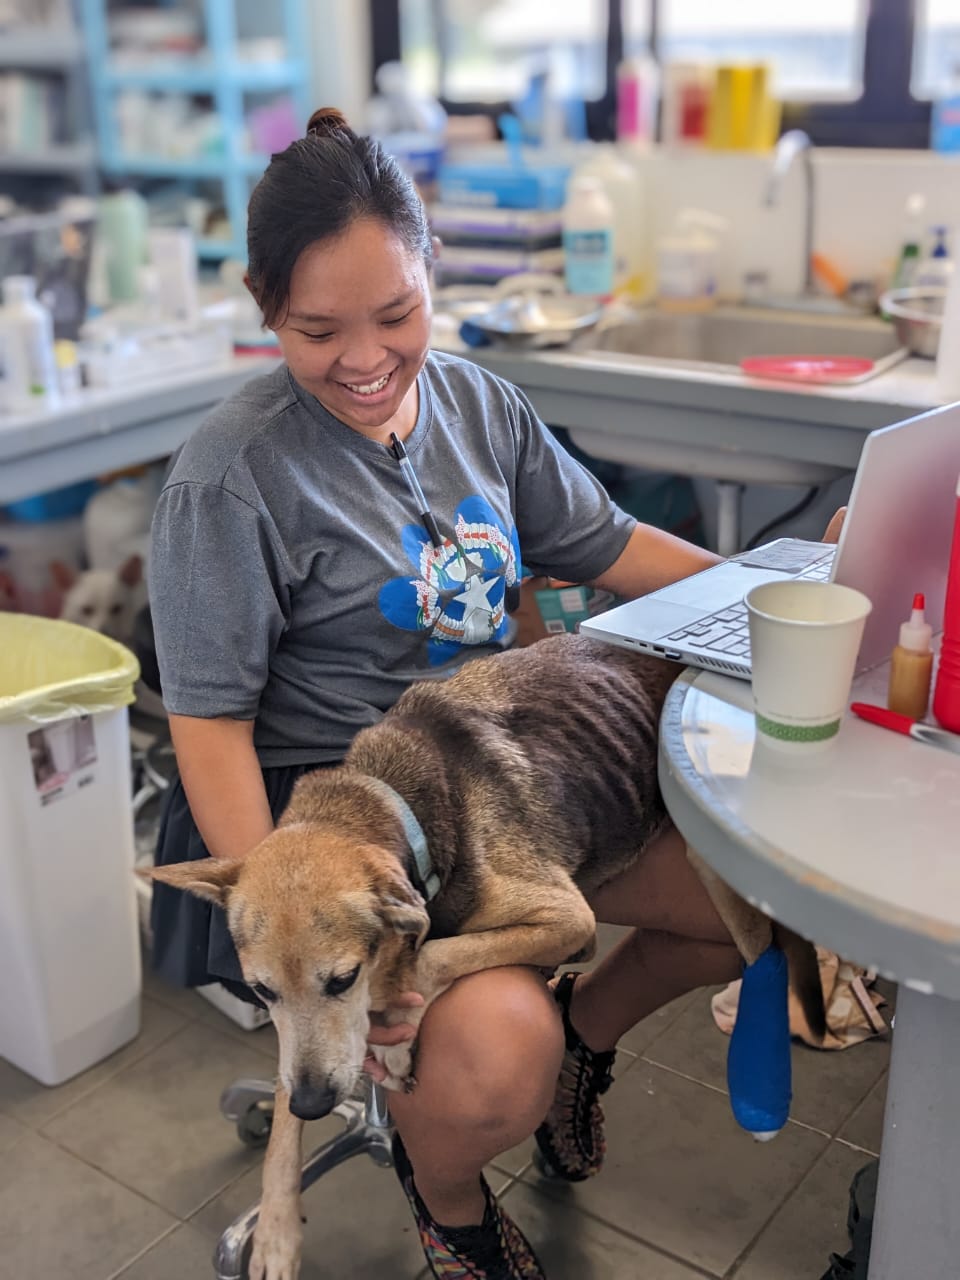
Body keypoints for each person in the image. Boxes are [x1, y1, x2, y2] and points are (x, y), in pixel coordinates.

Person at [149, 106, 840, 1280]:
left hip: (515, 773)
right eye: (318, 330)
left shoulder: (479, 405)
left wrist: (785, 589)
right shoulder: (233, 478)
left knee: (758, 895)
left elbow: (611, 544)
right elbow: (207, 724)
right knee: (491, 1059)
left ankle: (588, 1036)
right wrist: (295, 907)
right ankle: (450, 1196)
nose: (365, 358)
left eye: (397, 316)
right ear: (266, 309)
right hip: (345, 820)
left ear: (433, 282)